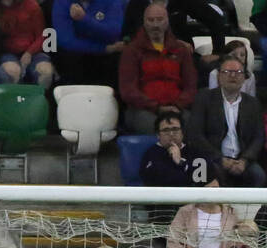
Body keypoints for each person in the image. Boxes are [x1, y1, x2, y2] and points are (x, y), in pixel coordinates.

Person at [187, 53, 267, 187]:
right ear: (219, 76)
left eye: (238, 72)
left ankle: (247, 209)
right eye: (227, 72)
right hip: (212, 158)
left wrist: (245, 160)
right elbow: (195, 135)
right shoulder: (204, 98)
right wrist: (220, 158)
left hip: (242, 160)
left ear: (244, 78)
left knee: (259, 175)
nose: (233, 76)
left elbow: (259, 137)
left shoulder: (252, 104)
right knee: (208, 173)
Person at [119, 4, 197, 134]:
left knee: (192, 126)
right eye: (151, 20)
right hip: (143, 111)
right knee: (162, 130)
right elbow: (128, 91)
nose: (155, 25)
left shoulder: (181, 50)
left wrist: (177, 106)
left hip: (177, 109)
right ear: (143, 22)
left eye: (160, 19)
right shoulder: (131, 51)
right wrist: (156, 107)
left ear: (167, 20)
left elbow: (191, 86)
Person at [50, 0, 126, 88]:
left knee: (118, 56)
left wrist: (84, 19)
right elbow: (66, 41)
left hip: (106, 59)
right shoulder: (63, 2)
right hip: (75, 58)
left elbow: (114, 33)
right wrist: (104, 48)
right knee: (68, 56)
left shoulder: (112, 2)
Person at [140, 110, 215, 187]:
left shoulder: (195, 152)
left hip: (192, 197)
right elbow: (154, 180)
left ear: (182, 133)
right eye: (166, 130)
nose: (171, 134)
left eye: (175, 129)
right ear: (158, 135)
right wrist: (184, 169)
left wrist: (180, 162)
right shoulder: (151, 154)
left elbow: (204, 180)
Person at [0, 0, 54, 88]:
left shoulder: (32, 5)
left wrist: (29, 52)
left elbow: (42, 35)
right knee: (11, 72)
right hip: (8, 53)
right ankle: (15, 99)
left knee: (46, 72)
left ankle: (39, 99)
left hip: (34, 51)